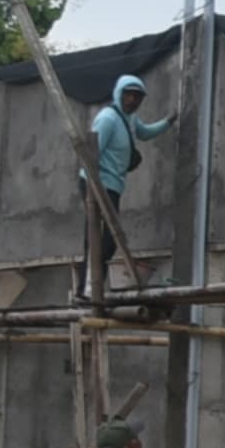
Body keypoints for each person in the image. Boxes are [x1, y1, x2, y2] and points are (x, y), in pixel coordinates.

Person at [80, 74, 173, 294]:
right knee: (99, 239)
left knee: (108, 241)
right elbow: (92, 154)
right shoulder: (108, 119)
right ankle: (87, 289)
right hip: (97, 183)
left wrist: (168, 122)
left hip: (113, 185)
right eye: (128, 95)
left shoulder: (130, 118)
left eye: (137, 97)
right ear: (119, 94)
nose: (132, 100)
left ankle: (94, 286)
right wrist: (95, 188)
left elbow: (144, 133)